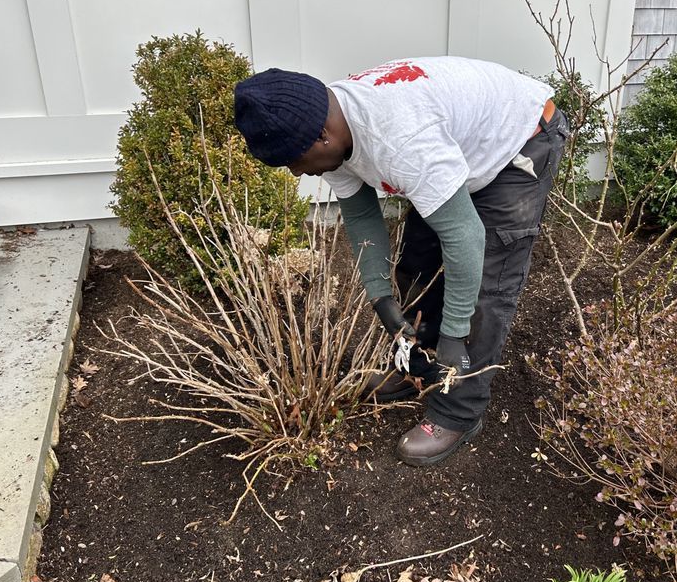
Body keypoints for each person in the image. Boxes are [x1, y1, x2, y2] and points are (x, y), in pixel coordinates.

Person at [233, 56, 568, 466]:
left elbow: (466, 235)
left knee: (485, 287)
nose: (296, 173)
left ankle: (459, 411)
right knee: (418, 257)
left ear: (322, 136)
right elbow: (360, 216)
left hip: (519, 140)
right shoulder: (327, 122)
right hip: (456, 145)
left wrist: (454, 331)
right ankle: (418, 366)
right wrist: (380, 297)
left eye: (294, 162)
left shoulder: (400, 140)